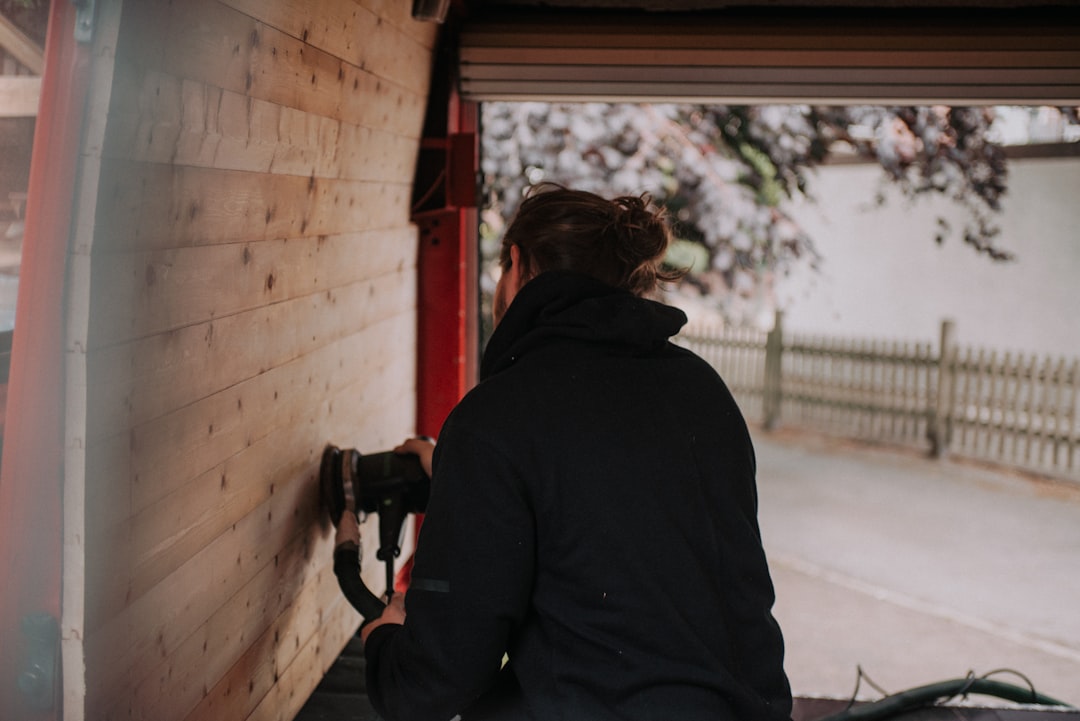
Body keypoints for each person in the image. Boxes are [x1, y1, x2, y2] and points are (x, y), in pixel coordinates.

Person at [349, 184, 792, 721]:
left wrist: (385, 642)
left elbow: (433, 685)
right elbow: (608, 495)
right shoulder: (699, 388)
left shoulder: (499, 417)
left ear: (515, 265)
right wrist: (455, 469)